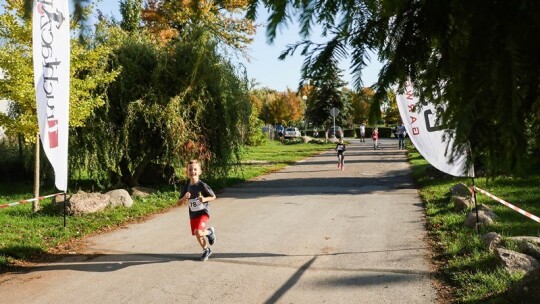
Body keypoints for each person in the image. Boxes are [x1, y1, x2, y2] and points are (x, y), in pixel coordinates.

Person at [177, 160, 217, 261]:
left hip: (203, 213)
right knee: (197, 234)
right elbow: (178, 202)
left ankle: (209, 232)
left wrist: (204, 199)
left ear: (200, 172)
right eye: (190, 169)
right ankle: (206, 250)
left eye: (195, 169)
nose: (192, 171)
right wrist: (184, 197)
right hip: (193, 215)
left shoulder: (201, 185)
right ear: (187, 172)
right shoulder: (187, 187)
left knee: (199, 232)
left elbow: (213, 197)